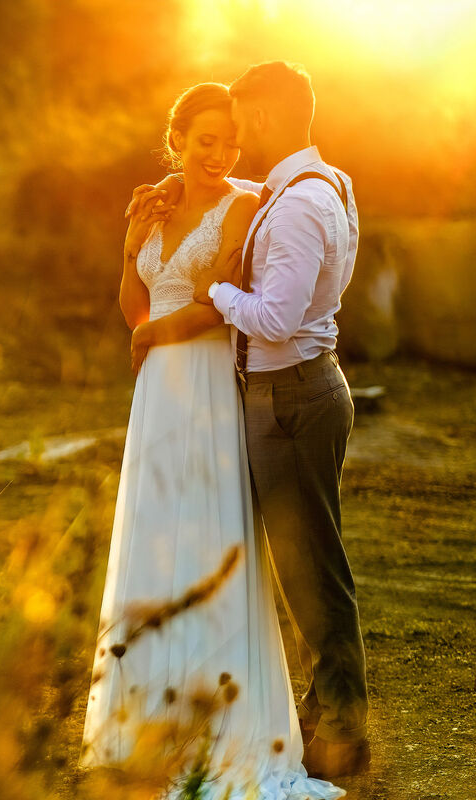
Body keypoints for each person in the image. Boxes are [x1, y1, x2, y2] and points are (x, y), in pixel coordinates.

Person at [78, 80, 345, 800]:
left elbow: (218, 307)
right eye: (204, 141)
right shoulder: (154, 201)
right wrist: (134, 245)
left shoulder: (247, 203)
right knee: (155, 532)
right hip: (154, 394)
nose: (219, 154)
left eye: (229, 141)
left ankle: (219, 724)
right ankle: (146, 720)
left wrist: (162, 331)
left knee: (206, 532)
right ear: (176, 139)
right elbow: (135, 304)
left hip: (204, 385)